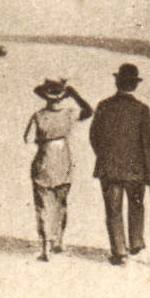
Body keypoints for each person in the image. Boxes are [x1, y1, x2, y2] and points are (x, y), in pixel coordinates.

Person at [89, 63, 150, 266]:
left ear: (117, 82)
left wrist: (104, 155)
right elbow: (148, 144)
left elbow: (94, 136)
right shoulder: (141, 109)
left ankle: (119, 250)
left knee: (113, 210)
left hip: (109, 168)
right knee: (136, 206)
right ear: (134, 85)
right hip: (135, 169)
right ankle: (136, 243)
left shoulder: (103, 106)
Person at [25, 79, 93, 259]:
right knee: (61, 202)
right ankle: (59, 240)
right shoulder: (70, 114)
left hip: (44, 157)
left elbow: (28, 138)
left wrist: (43, 137)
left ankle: (45, 245)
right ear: (63, 97)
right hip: (63, 158)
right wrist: (75, 95)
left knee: (43, 203)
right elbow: (89, 111)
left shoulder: (39, 116)